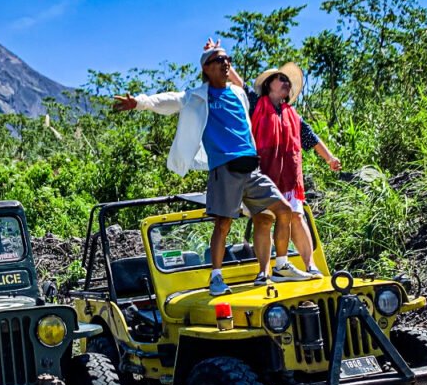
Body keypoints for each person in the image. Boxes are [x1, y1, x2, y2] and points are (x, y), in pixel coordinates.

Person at [113, 41, 313, 295]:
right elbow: (168, 101)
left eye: (227, 58)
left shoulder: (238, 93)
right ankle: (216, 277)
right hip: (225, 168)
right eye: (219, 60)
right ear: (206, 68)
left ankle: (280, 266)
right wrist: (139, 103)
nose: (225, 62)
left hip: (251, 168)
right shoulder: (198, 96)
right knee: (223, 224)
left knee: (281, 211)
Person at [228, 62, 341, 276]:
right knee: (264, 220)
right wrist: (224, 63)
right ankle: (266, 271)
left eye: (289, 81)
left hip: (289, 178)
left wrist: (330, 158)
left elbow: (311, 138)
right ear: (270, 84)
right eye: (282, 79)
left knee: (297, 216)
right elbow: (239, 84)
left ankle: (311, 266)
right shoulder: (255, 103)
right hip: (262, 175)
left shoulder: (293, 115)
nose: (287, 83)